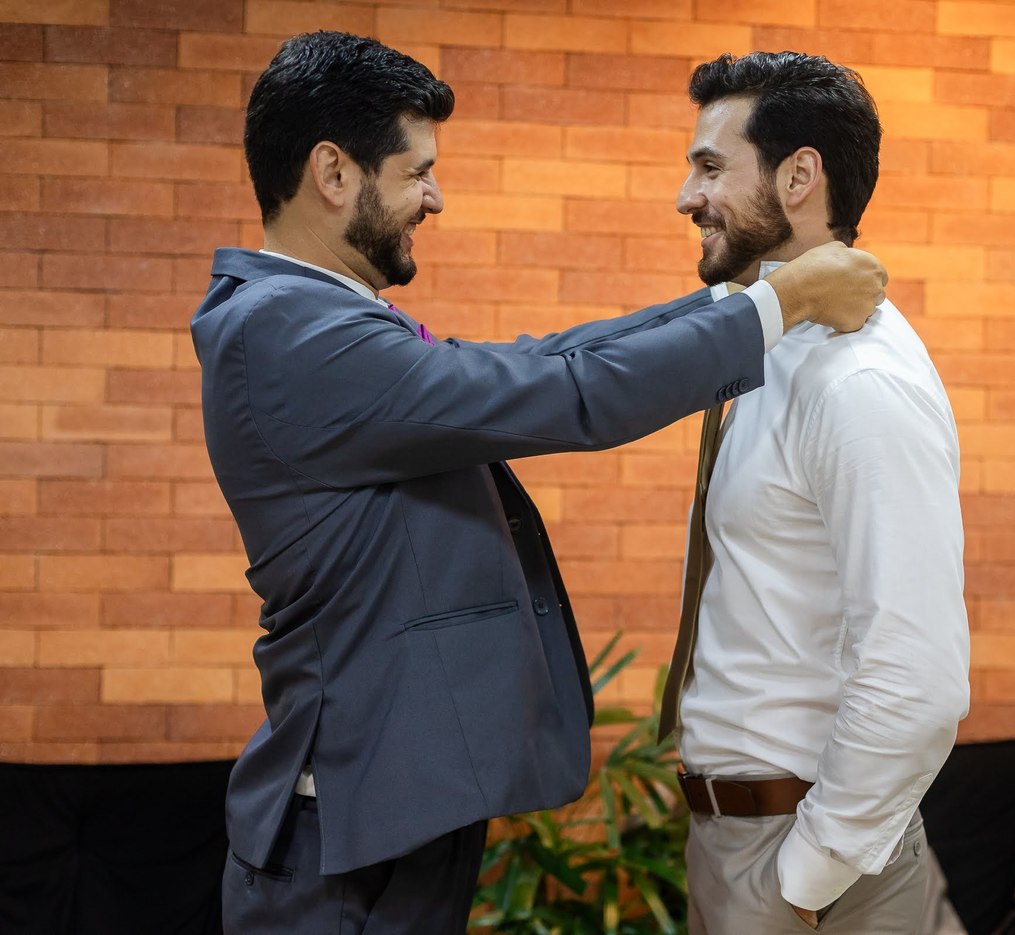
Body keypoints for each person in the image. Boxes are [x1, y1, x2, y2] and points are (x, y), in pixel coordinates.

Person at [190, 32, 887, 935]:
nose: (433, 198)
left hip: (386, 815)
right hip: (341, 847)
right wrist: (783, 304)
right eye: (416, 172)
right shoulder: (286, 330)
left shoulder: (322, 317)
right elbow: (559, 394)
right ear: (332, 172)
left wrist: (734, 301)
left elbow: (541, 359)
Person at [658, 51, 971, 935]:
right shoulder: (771, 350)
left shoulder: (858, 380)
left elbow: (918, 677)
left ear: (799, 177)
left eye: (711, 166)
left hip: (802, 859)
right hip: (744, 842)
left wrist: (807, 875)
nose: (686, 196)